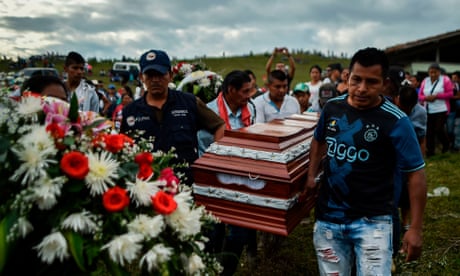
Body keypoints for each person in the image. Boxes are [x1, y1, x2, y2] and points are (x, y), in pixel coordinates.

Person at [305, 47, 427, 275]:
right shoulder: (332, 108)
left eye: (371, 82)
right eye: (356, 79)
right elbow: (318, 140)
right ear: (347, 77)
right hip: (328, 220)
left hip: (374, 222)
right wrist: (312, 175)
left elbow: (416, 174)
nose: (361, 89)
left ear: (384, 84)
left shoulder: (396, 121)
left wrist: (415, 228)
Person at [120, 49, 225, 186]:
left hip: (185, 186)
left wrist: (214, 158)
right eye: (150, 75)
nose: (155, 80)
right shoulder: (131, 111)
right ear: (141, 77)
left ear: (170, 75)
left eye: (160, 74)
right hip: (146, 187)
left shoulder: (189, 103)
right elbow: (123, 148)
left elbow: (219, 125)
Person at [197, 70, 257, 276]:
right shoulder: (209, 111)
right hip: (214, 184)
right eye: (245, 91)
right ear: (231, 90)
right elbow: (201, 147)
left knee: (239, 235)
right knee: (213, 234)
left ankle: (227, 272)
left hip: (241, 184)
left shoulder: (250, 110)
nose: (250, 95)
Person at [418, 63, 453, 157]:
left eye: (435, 72)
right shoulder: (425, 80)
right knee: (429, 131)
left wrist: (437, 96)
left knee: (438, 129)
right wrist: (426, 98)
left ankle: (446, 145)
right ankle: (430, 152)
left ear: (439, 72)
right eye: (431, 72)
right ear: (428, 72)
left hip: (442, 109)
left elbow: (450, 94)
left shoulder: (445, 80)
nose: (433, 74)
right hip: (429, 109)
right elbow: (420, 95)